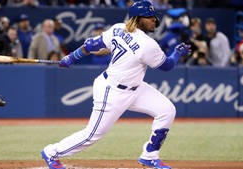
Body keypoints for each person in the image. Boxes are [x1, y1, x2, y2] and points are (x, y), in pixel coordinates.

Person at [41, 1, 190, 169]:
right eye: (150, 17)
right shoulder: (148, 45)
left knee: (167, 110)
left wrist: (71, 58)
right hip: (111, 90)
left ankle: (150, 155)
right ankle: (52, 152)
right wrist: (177, 53)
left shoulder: (119, 28)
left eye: (154, 17)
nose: (154, 20)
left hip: (135, 88)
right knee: (92, 135)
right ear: (138, 18)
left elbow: (91, 45)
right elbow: (168, 66)